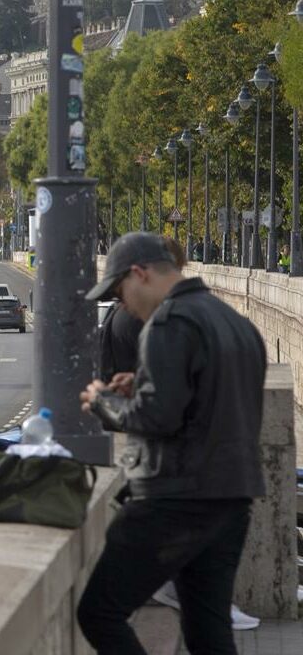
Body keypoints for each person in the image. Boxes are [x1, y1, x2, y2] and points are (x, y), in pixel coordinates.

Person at [79, 232, 267, 655]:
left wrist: (103, 401)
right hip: (231, 497)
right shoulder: (232, 321)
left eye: (118, 291)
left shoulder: (167, 324)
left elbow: (155, 419)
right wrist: (144, 383)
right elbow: (207, 401)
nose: (121, 304)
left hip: (175, 499)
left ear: (139, 274)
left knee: (99, 612)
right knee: (208, 630)